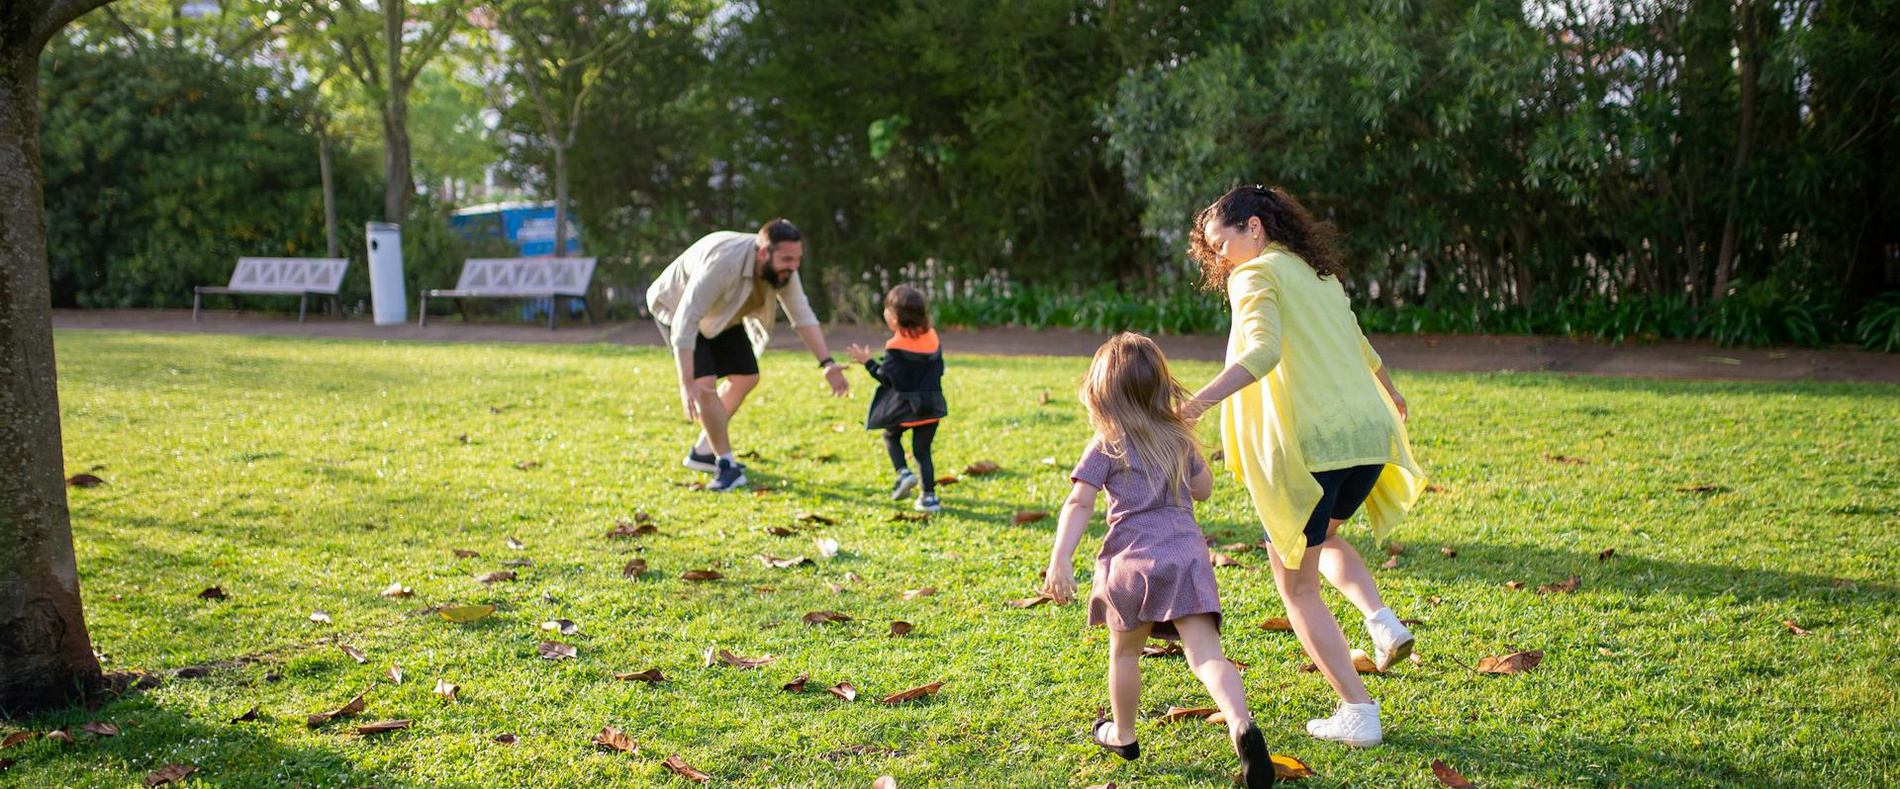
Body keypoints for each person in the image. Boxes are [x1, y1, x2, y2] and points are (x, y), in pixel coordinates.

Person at [1177, 185, 1427, 748]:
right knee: (1323, 538)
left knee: (1297, 587)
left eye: (1222, 243)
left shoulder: (1254, 274)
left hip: (1313, 448)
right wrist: (1392, 393)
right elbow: (1362, 346)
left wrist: (1195, 405)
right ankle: (1380, 619)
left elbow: (1262, 352)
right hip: (1367, 438)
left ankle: (1358, 711)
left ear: (1254, 227)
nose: (1220, 258)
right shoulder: (1321, 276)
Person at [1041, 333, 1275, 788]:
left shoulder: (1107, 442)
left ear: (1103, 394)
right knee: (1206, 657)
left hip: (1130, 560)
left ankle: (1123, 734)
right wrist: (1190, 446)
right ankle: (1241, 723)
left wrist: (1061, 558)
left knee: (1125, 652)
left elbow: (1079, 502)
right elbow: (1203, 491)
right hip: (1186, 556)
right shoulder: (1177, 437)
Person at [646, 219, 849, 492]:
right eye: (787, 259)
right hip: (677, 309)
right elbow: (686, 319)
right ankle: (726, 465)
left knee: (746, 377)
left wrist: (827, 363)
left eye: (797, 259)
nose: (794, 267)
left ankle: (703, 451)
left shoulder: (784, 270)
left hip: (723, 314)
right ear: (763, 253)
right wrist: (686, 383)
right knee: (705, 387)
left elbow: (802, 315)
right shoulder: (724, 264)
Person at [844, 285, 948, 512]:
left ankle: (904, 473)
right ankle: (929, 498)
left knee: (891, 436)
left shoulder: (896, 346)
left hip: (907, 408)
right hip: (932, 406)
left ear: (894, 317)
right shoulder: (932, 337)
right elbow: (940, 369)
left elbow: (887, 379)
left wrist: (868, 362)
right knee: (922, 452)